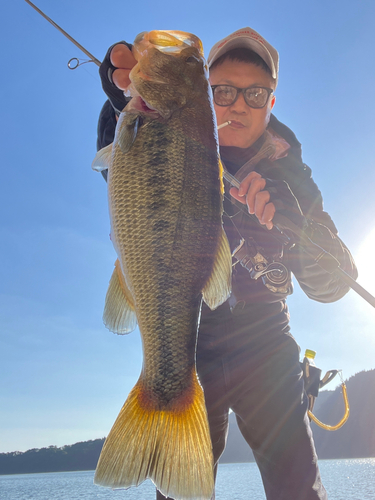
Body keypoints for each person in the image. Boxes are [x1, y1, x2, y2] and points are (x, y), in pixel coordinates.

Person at [96, 27, 357, 500]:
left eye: (255, 93)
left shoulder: (293, 175)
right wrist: (118, 108)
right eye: (222, 90)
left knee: (299, 490)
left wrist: (299, 227)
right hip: (195, 340)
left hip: (269, 342)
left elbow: (333, 286)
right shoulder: (170, 134)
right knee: (181, 492)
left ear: (271, 102)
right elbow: (130, 193)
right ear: (204, 95)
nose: (238, 104)